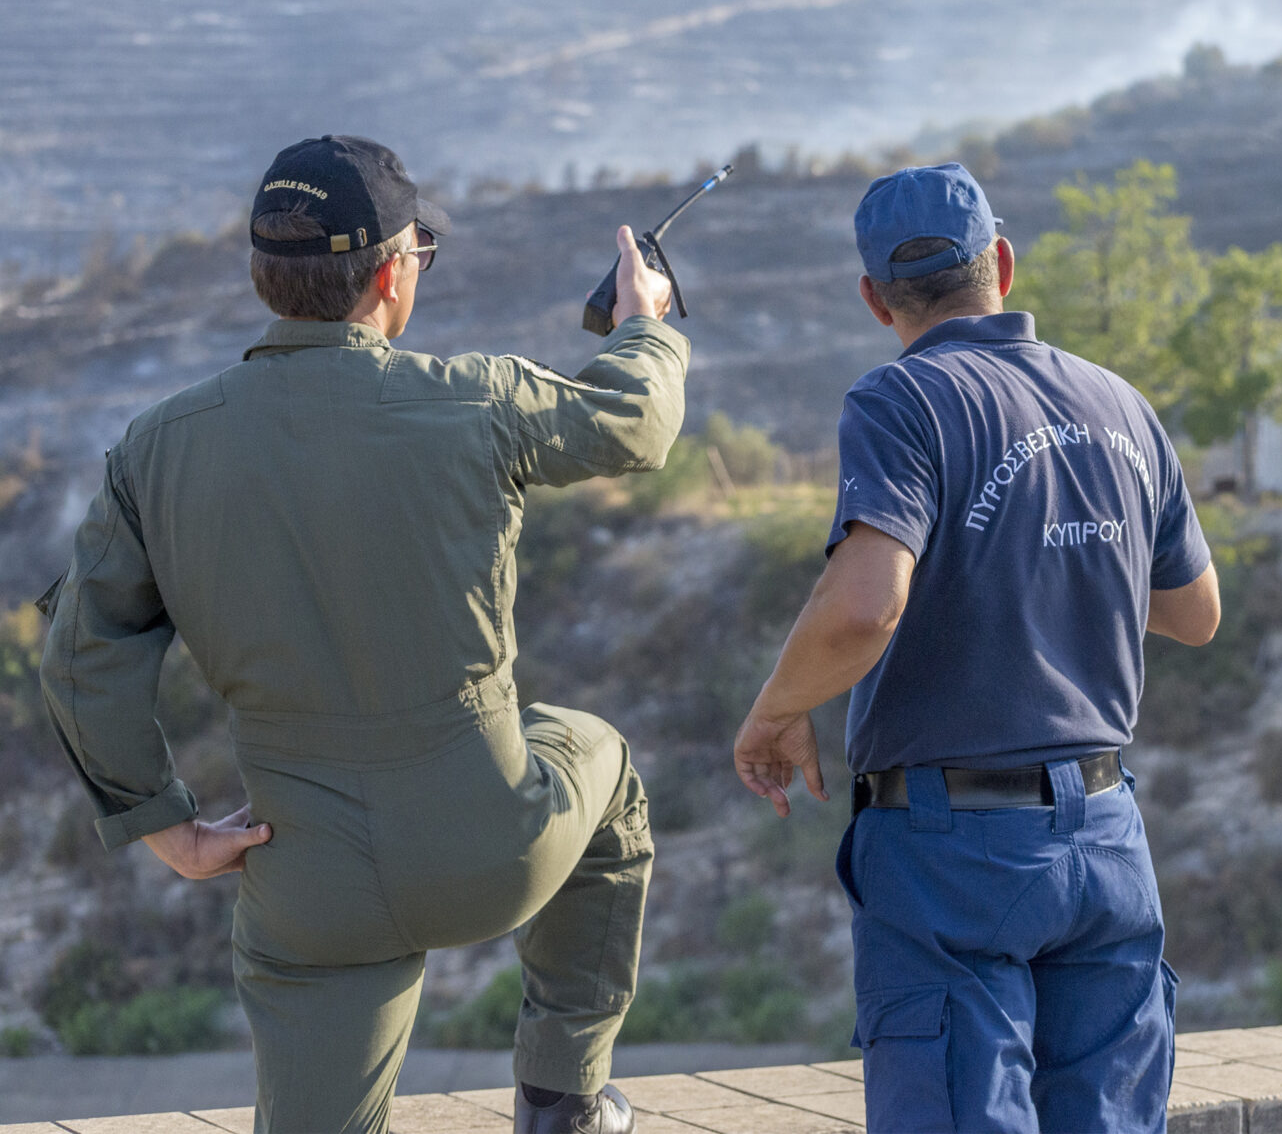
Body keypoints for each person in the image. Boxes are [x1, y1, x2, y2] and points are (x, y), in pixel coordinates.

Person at [39, 135, 686, 1134]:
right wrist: (644, 324)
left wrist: (164, 824)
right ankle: (563, 1094)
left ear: (264, 273)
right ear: (391, 273)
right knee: (601, 759)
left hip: (306, 884)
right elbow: (636, 421)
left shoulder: (154, 448)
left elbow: (83, 658)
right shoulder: (474, 396)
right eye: (421, 248)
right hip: (491, 848)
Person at [732, 162, 1221, 1133]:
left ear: (875, 298)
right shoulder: (1118, 402)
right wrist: (1056, 562)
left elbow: (864, 607)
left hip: (952, 852)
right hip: (1105, 836)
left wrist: (776, 710)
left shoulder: (903, 399)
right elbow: (1195, 610)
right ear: (999, 261)